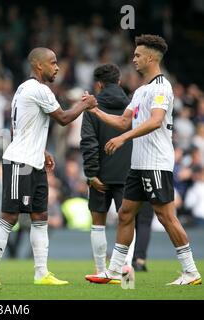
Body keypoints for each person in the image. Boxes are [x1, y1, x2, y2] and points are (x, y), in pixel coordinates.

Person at [85, 34, 201, 285]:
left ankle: (190, 271)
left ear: (150, 57)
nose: (133, 59)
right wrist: (94, 110)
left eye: (137, 55)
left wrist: (124, 139)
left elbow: (155, 120)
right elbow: (123, 121)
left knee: (166, 217)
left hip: (155, 163)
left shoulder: (162, 87)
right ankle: (115, 270)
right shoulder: (140, 91)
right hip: (137, 165)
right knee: (126, 213)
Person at [0, 47, 96, 286]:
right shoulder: (39, 89)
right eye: (53, 62)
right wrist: (85, 104)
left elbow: (22, 126)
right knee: (9, 217)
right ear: (38, 66)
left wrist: (41, 150)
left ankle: (41, 273)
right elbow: (64, 118)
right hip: (20, 163)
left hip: (33, 161)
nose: (57, 67)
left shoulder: (23, 89)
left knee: (40, 216)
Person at [80, 63, 154, 274]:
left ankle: (100, 271)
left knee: (98, 224)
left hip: (100, 176)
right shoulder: (133, 106)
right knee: (127, 223)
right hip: (128, 175)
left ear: (99, 85)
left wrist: (92, 173)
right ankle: (126, 272)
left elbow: (88, 142)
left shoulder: (92, 109)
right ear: (119, 81)